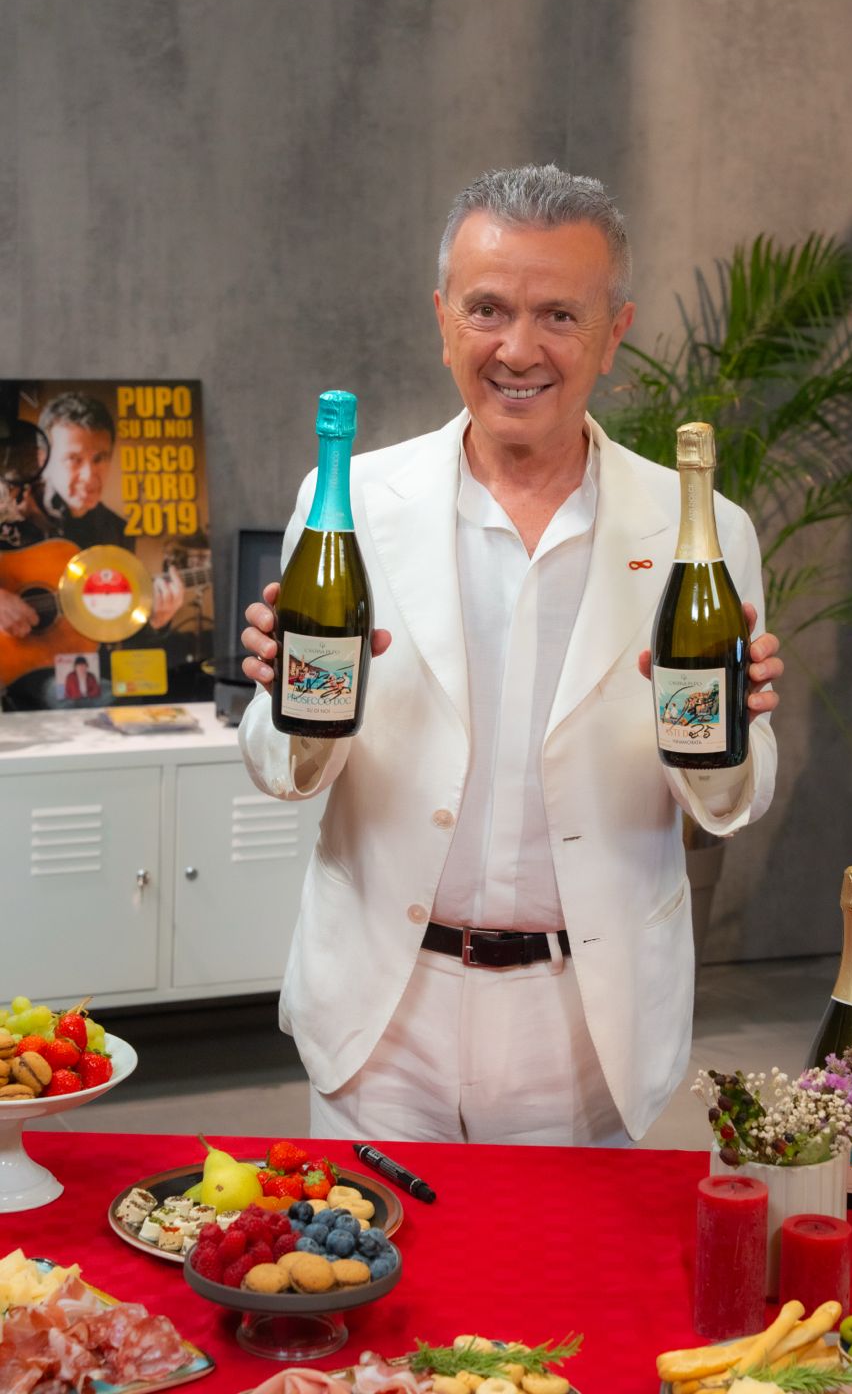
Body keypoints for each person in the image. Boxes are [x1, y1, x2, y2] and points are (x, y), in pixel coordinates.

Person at [240, 164, 783, 1146]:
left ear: (613, 332)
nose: (516, 348)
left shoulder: (697, 530)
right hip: (382, 1016)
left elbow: (725, 803)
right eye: (487, 308)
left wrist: (727, 738)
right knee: (354, 1279)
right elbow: (285, 773)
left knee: (557, 1298)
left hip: (583, 1024)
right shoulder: (350, 506)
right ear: (442, 316)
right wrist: (288, 706)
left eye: (558, 316)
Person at [0, 392, 183, 640]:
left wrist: (157, 623)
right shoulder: (8, 508)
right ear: (43, 458)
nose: (89, 476)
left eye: (100, 458)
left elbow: (114, 631)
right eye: (73, 460)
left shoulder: (117, 531)